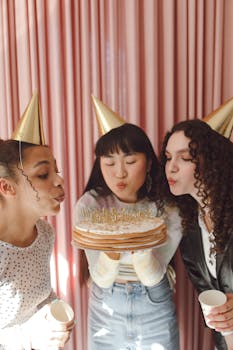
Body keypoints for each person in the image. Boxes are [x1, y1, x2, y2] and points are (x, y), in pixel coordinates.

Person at [74, 97, 182, 350]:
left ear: (148, 162)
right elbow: (100, 276)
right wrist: (115, 253)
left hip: (154, 299)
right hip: (105, 304)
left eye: (130, 162)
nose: (119, 173)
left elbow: (154, 270)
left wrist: (136, 250)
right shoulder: (90, 205)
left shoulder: (167, 206)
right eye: (109, 163)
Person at [0, 93, 74, 349]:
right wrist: (28, 338)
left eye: (57, 170)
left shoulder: (44, 234)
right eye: (43, 174)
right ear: (7, 187)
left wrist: (56, 311)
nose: (59, 181)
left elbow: (41, 297)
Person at [160, 118, 233, 350]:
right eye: (169, 157)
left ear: (211, 162)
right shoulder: (190, 230)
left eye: (184, 157)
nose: (171, 167)